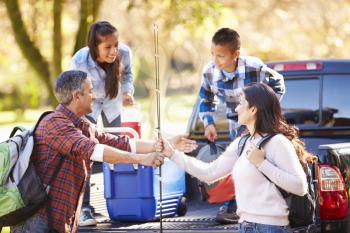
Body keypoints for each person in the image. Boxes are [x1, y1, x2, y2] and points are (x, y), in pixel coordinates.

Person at [10, 70, 195, 233]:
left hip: (59, 221)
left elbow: (119, 143)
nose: (95, 96)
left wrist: (163, 143)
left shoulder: (82, 125)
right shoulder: (55, 124)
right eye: (90, 91)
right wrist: (142, 159)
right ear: (76, 96)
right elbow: (94, 151)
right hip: (37, 223)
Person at [161, 82, 315, 233]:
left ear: (253, 109)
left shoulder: (277, 142)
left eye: (241, 103)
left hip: (270, 228)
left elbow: (300, 187)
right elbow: (209, 173)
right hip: (244, 226)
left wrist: (262, 164)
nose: (236, 108)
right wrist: (173, 154)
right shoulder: (243, 143)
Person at [198, 27, 285, 223]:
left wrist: (263, 111)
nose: (215, 60)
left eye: (220, 56)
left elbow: (278, 84)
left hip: (261, 126)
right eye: (212, 54)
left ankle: (263, 205)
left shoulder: (255, 68)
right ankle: (237, 204)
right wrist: (208, 123)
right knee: (238, 163)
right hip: (235, 126)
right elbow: (206, 98)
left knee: (258, 162)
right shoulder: (210, 72)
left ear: (236, 54)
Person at [70, 21, 135, 226]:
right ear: (94, 46)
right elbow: (73, 92)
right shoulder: (81, 60)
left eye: (115, 44)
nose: (114, 50)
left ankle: (123, 202)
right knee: (86, 153)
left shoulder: (124, 53)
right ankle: (84, 208)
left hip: (112, 103)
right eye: (107, 47)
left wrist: (127, 92)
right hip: (88, 105)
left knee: (116, 148)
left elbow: (128, 75)